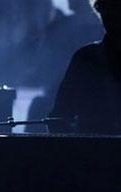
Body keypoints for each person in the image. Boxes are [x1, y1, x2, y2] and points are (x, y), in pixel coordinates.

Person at [48, 0, 121, 134]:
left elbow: (58, 118)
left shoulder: (86, 57)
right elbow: (58, 118)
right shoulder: (85, 58)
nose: (112, 17)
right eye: (108, 10)